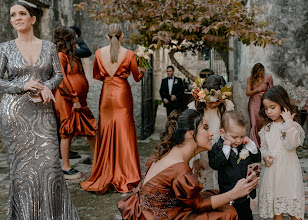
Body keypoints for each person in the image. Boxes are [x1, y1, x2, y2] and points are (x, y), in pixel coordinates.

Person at [0, 2, 79, 219]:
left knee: (51, 165)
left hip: (43, 112)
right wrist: (21, 86)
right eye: (12, 15)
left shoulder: (49, 47)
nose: (17, 18)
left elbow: (58, 75)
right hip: (15, 113)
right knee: (23, 170)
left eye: (22, 14)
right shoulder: (4, 48)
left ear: (33, 19)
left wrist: (47, 86)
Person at [118, 109, 260, 219]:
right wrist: (234, 193)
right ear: (190, 134)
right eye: (205, 128)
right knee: (227, 212)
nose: (211, 133)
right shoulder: (179, 168)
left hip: (162, 208)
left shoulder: (172, 153)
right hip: (163, 216)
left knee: (216, 195)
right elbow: (198, 205)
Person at [80, 24, 145, 194]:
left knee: (106, 130)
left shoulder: (98, 53)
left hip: (106, 94)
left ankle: (106, 171)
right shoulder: (130, 54)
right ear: (122, 36)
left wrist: (108, 77)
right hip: (122, 94)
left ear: (107, 36)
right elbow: (138, 77)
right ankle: (127, 173)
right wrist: (142, 65)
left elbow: (96, 75)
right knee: (124, 132)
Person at [53, 26, 97, 180]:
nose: (75, 41)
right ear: (68, 40)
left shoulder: (70, 54)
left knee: (89, 126)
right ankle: (65, 167)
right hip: (66, 98)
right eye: (73, 38)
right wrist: (74, 98)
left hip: (76, 99)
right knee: (67, 130)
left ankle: (99, 160)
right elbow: (62, 80)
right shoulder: (60, 56)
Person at [258, 85, 305, 220]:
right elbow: (264, 147)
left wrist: (289, 123)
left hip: (287, 173)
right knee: (276, 209)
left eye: (273, 107)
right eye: (266, 108)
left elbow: (292, 144)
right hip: (272, 173)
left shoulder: (291, 126)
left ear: (282, 105)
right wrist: (265, 156)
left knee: (293, 210)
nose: (269, 112)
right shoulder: (266, 128)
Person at [208, 110, 261, 219]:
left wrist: (251, 144)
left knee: (246, 215)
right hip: (229, 195)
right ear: (223, 132)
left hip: (245, 194)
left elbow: (257, 158)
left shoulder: (244, 145)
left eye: (241, 136)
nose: (238, 140)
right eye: (234, 137)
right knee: (232, 217)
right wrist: (225, 150)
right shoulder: (217, 148)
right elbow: (214, 164)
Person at [188, 74, 234, 190]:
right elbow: (190, 135)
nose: (212, 104)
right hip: (199, 153)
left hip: (220, 154)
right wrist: (196, 158)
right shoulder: (193, 107)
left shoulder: (227, 106)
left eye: (216, 101)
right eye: (208, 100)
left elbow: (231, 130)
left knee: (218, 186)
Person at [246, 63, 273, 148]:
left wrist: (265, 94)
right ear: (255, 72)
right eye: (259, 72)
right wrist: (257, 90)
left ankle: (264, 145)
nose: (261, 74)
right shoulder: (250, 79)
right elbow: (247, 93)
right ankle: (255, 147)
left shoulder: (268, 77)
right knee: (254, 124)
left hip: (264, 104)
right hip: (253, 104)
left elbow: (272, 90)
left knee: (263, 124)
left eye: (262, 72)